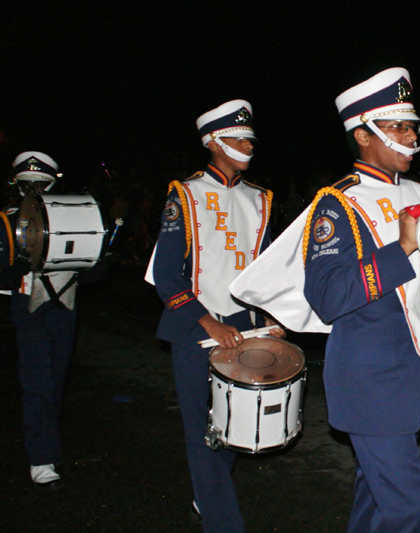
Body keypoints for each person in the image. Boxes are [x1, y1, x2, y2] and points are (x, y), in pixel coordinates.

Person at [299, 67, 420, 533]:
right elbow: (328, 297)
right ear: (362, 134)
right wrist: (403, 247)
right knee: (408, 510)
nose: (410, 135)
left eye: (412, 125)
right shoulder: (337, 204)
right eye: (396, 126)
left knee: (375, 497)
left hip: (415, 368)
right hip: (369, 378)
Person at [148, 100, 282, 532]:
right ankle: (223, 521)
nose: (247, 145)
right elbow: (166, 276)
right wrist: (207, 321)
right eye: (238, 138)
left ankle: (208, 494)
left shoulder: (260, 199)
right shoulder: (185, 195)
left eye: (249, 139)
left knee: (236, 426)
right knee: (202, 427)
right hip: (196, 326)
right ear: (213, 142)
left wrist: (269, 318)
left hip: (245, 324)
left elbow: (261, 269)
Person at [0, 152, 106, 488]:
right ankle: (41, 457)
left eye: (38, 183)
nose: (32, 188)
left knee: (55, 380)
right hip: (28, 309)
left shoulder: (72, 212)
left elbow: (88, 264)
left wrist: (95, 264)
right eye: (27, 183)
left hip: (64, 306)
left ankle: (45, 437)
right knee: (37, 383)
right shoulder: (7, 219)